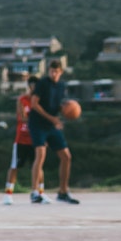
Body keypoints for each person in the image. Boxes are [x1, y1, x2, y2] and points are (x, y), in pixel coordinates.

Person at [28, 61, 79, 204]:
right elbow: (34, 104)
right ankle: (34, 192)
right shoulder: (43, 83)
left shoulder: (62, 86)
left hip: (51, 125)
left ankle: (63, 191)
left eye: (56, 71)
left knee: (66, 156)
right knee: (40, 155)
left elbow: (55, 105)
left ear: (61, 72)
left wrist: (66, 110)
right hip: (38, 124)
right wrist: (52, 118)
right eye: (51, 71)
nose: (53, 73)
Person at [2, 77, 39, 205]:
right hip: (22, 138)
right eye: (33, 86)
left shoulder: (42, 101)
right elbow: (22, 117)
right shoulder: (22, 100)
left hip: (36, 138)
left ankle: (39, 193)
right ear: (29, 86)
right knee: (15, 166)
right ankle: (8, 194)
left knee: (38, 166)